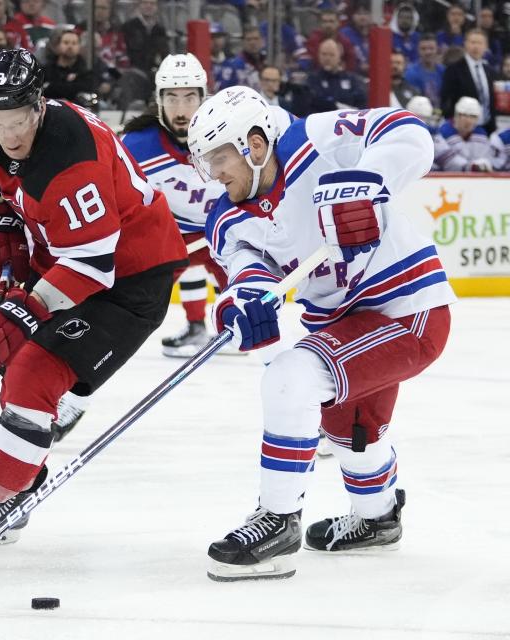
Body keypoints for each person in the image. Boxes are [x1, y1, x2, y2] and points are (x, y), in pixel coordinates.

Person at [0, 48, 188, 550]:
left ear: (40, 106)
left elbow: (91, 264)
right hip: (63, 252)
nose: (11, 135)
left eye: (20, 120)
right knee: (18, 363)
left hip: (129, 278)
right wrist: (2, 221)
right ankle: (20, 480)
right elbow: (6, 187)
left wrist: (22, 311)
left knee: (32, 369)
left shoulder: (71, 158)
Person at [186, 86, 455, 581]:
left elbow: (409, 131)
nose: (215, 173)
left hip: (406, 307)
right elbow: (249, 274)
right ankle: (377, 520)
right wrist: (244, 307)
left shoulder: (314, 138)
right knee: (351, 431)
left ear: (255, 144)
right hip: (339, 321)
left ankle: (278, 519)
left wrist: (365, 183)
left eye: (221, 158)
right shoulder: (226, 217)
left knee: (292, 377)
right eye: (207, 161)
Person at [120, 54, 226, 358]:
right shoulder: (137, 146)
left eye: (190, 98)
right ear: (159, 100)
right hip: (172, 234)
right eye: (172, 99)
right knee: (128, 311)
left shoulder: (228, 132)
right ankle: (196, 327)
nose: (181, 110)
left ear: (204, 98)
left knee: (252, 301)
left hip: (224, 229)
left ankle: (234, 329)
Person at [441, 28, 496, 134]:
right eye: (472, 42)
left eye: (480, 43)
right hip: (461, 130)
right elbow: (446, 100)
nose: (476, 46)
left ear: (485, 46)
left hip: (487, 127)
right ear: (465, 44)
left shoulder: (489, 71)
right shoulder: (453, 69)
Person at [433, 96, 496, 172]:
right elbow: (449, 164)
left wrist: (484, 164)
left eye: (473, 116)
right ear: (457, 116)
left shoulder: (481, 134)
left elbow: (486, 158)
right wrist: (472, 166)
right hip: (443, 180)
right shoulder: (441, 132)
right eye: (465, 115)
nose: (469, 121)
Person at [306, 38, 367, 112]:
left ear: (339, 57)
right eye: (324, 54)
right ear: (318, 55)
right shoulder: (312, 79)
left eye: (332, 55)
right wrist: (337, 105)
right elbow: (316, 100)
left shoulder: (352, 79)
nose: (327, 58)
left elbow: (361, 102)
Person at [42, 29, 95, 102]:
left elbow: (86, 90)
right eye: (66, 43)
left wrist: (53, 86)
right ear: (58, 46)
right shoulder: (45, 70)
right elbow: (43, 91)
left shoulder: (85, 71)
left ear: (79, 47)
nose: (70, 46)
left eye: (74, 43)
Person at [404, 33, 444, 108]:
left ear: (437, 49)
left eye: (431, 48)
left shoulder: (443, 71)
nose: (427, 52)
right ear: (418, 50)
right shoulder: (411, 73)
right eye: (423, 49)